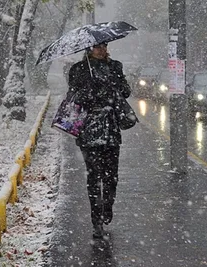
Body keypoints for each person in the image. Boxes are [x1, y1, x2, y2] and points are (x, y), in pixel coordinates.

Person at [67, 42, 131, 238]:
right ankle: (96, 221)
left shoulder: (115, 66)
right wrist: (92, 90)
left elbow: (126, 92)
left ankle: (107, 206)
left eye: (104, 46)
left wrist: (114, 85)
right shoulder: (78, 69)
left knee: (111, 177)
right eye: (97, 47)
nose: (102, 49)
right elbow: (74, 97)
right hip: (89, 131)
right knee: (94, 178)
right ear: (89, 49)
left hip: (111, 130)